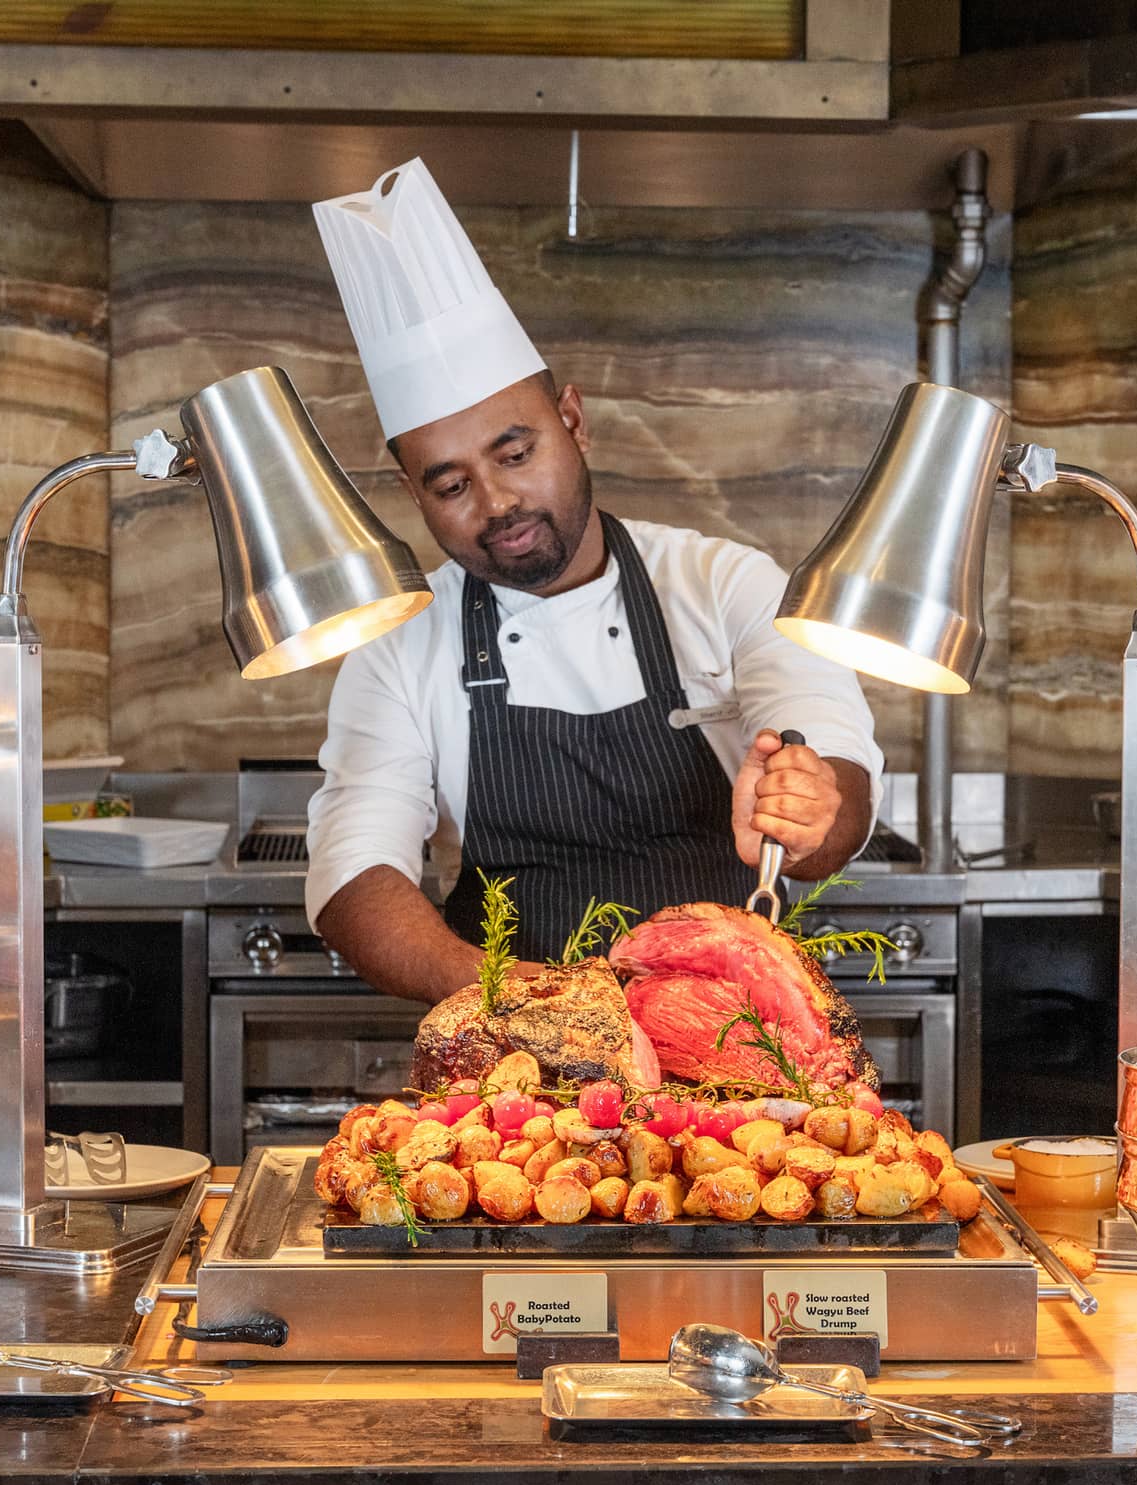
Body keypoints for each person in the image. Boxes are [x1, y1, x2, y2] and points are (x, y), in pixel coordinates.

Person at [305, 159, 884, 1003]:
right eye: (452, 484)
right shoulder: (401, 644)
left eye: (516, 453)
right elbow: (354, 873)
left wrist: (812, 805)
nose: (499, 502)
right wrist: (521, 1000)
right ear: (414, 494)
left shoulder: (722, 585)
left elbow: (833, 763)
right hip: (512, 1065)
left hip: (733, 1046)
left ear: (572, 421)